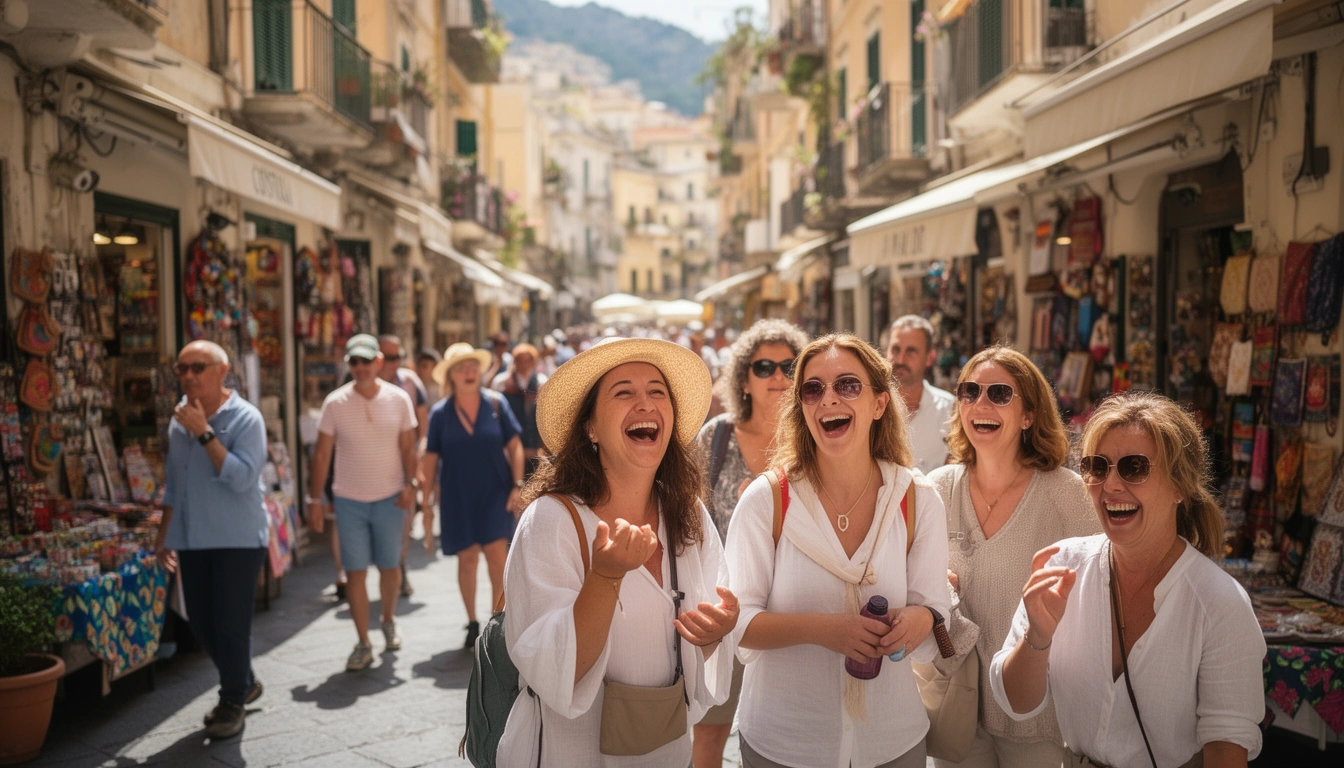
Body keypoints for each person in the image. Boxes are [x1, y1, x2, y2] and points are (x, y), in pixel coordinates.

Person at [497, 337, 738, 766]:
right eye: (624, 392)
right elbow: (558, 672)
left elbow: (703, 658)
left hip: (667, 752)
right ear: (590, 427)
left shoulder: (690, 514)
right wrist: (605, 577)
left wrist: (717, 631)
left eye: (657, 392)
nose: (645, 403)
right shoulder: (551, 520)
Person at [992, 391, 1266, 767]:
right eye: (1097, 466)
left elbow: (1227, 747)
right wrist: (1037, 638)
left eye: (1134, 467)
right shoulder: (1063, 566)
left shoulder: (1220, 603)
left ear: (1179, 486)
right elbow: (1016, 704)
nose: (1111, 485)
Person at [727, 333, 950, 768]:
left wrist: (918, 620)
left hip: (892, 740)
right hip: (785, 744)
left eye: (847, 385)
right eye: (813, 389)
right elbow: (738, 624)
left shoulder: (917, 498)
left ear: (879, 404)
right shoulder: (765, 501)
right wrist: (825, 630)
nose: (828, 398)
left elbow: (934, 605)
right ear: (802, 408)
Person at [926, 346, 1098, 768]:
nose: (981, 404)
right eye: (970, 391)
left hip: (1040, 722)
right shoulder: (937, 489)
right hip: (957, 714)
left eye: (1000, 393)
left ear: (1029, 415)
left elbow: (1104, 588)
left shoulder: (1066, 493)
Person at [692, 319, 809, 767]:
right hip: (725, 605)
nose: (778, 376)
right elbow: (690, 518)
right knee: (711, 731)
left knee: (788, 732)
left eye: (788, 365)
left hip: (791, 607)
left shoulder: (813, 438)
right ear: (744, 378)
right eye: (765, 367)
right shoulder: (716, 437)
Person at [155, 340, 269, 739]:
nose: (187, 376)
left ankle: (232, 700)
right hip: (192, 537)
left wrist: (204, 433)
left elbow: (241, 478)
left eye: (197, 367)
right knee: (202, 622)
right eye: (181, 369)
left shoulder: (246, 419)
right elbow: (176, 483)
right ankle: (245, 678)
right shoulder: (179, 421)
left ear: (222, 371)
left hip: (238, 538)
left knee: (231, 623)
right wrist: (164, 533)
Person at [306, 334, 419, 672]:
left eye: (366, 361)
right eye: (353, 362)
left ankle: (386, 619)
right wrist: (314, 499)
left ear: (379, 362)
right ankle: (362, 641)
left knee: (389, 567)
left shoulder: (399, 399)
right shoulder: (335, 403)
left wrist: (411, 485)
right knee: (354, 573)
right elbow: (322, 454)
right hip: (349, 501)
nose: (360, 368)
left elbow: (408, 448)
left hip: (389, 497)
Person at [421, 343, 526, 649]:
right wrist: (426, 503)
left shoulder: (496, 404)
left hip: (495, 492)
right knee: (467, 559)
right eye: (460, 368)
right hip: (457, 497)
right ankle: (471, 621)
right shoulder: (440, 413)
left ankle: (498, 620)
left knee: (497, 556)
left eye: (472, 367)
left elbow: (515, 445)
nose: (468, 372)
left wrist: (517, 485)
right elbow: (430, 459)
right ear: (450, 377)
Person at [379, 334, 430, 598]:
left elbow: (423, 423)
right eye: (388, 357)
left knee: (404, 522)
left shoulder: (410, 383)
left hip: (405, 466)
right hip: (372, 468)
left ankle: (399, 566)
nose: (393, 363)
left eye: (397, 357)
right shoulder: (360, 383)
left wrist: (420, 456)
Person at [886, 315, 956, 475]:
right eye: (895, 350)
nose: (900, 359)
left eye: (911, 351)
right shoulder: (869, 407)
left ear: (930, 358)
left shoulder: (949, 409)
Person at [491, 343, 548, 478]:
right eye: (520, 360)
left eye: (528, 360)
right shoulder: (501, 383)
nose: (524, 364)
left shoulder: (542, 383)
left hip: (535, 447)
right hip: (507, 447)